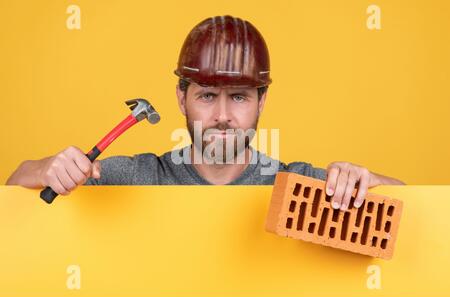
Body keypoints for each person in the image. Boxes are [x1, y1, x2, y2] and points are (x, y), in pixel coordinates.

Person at [6, 15, 404, 211]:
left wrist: (361, 180)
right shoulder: (136, 178)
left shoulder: (298, 185)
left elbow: (410, 204)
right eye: (208, 96)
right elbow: (14, 187)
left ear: (262, 102)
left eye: (241, 98)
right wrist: (46, 169)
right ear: (182, 99)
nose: (224, 116)